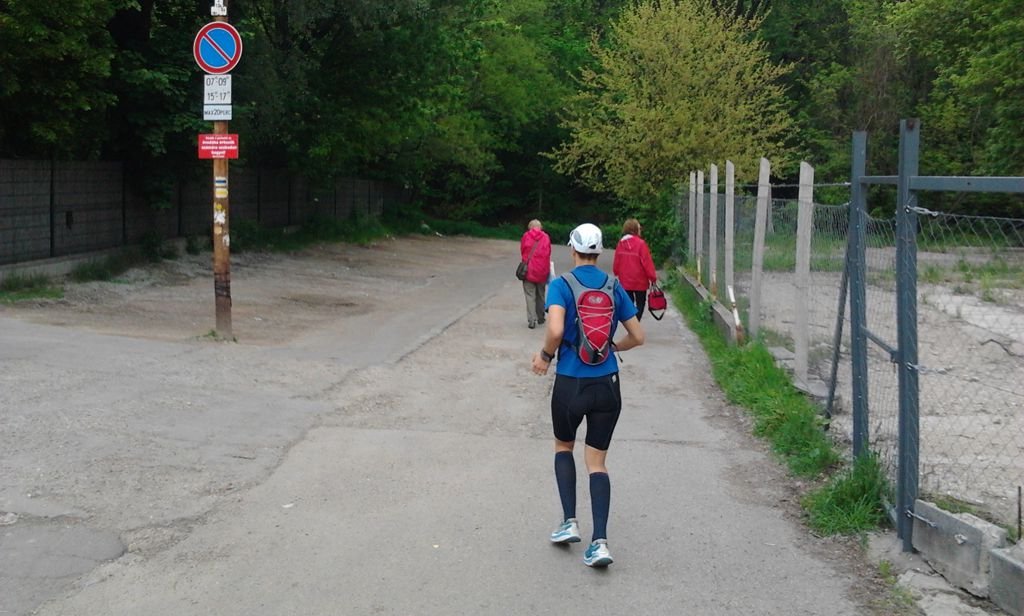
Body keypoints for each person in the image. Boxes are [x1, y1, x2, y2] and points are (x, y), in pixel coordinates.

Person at [531, 222, 645, 568]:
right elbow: (638, 336)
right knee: (598, 462)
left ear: (572, 249)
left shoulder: (561, 285)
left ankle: (569, 523)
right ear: (599, 250)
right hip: (607, 384)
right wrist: (613, 345)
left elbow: (555, 329)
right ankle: (600, 543)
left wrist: (545, 357)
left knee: (563, 447)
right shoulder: (614, 286)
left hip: (570, 382)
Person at [612, 218, 658, 320]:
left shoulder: (621, 244)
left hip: (625, 281)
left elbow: (617, 261)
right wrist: (652, 277)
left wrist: (616, 272)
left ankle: (632, 325)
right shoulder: (641, 244)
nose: (640, 230)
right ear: (634, 230)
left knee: (629, 305)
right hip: (640, 281)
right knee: (640, 304)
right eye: (639, 228)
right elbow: (647, 263)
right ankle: (636, 324)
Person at [520, 219, 552, 329]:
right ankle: (541, 317)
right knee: (541, 294)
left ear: (530, 227)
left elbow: (523, 250)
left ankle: (531, 320)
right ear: (540, 227)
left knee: (530, 295)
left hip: (529, 269)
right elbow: (548, 252)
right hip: (542, 270)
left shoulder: (526, 236)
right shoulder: (546, 237)